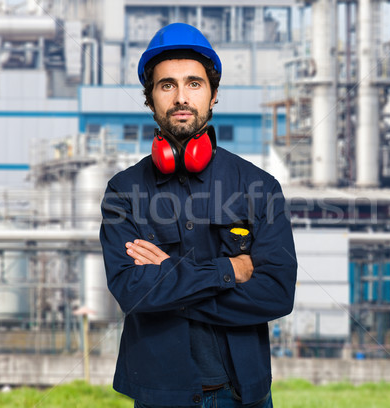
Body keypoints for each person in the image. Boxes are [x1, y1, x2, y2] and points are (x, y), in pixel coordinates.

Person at [100, 22, 297, 408]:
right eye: (166, 85)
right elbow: (131, 292)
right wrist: (229, 271)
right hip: (160, 393)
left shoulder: (258, 186)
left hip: (242, 395)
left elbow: (277, 293)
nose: (181, 97)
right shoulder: (123, 191)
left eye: (193, 83)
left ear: (213, 94)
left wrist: (169, 281)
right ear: (150, 98)